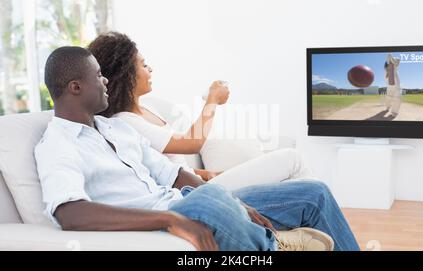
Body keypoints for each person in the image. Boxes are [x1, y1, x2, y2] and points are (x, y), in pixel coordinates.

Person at [35, 46, 360, 251]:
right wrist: (168, 219)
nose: (105, 81)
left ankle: (268, 235)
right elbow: (69, 213)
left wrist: (232, 200)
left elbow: (175, 175)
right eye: (98, 76)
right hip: (174, 211)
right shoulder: (58, 144)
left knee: (312, 193)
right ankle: (276, 246)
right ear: (75, 87)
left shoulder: (116, 129)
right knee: (208, 199)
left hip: (188, 201)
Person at [87, 32, 316, 190]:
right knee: (292, 159)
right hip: (193, 196)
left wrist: (207, 174)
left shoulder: (148, 108)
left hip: (201, 184)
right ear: (126, 74)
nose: (151, 69)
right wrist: (212, 101)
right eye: (144, 65)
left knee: (291, 178)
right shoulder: (125, 122)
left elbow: (174, 164)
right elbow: (191, 143)